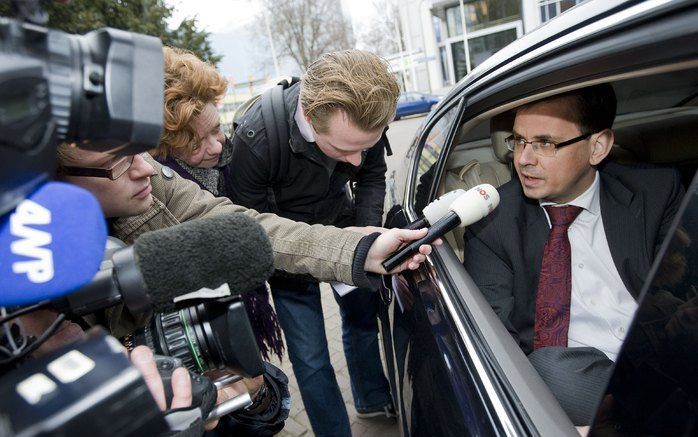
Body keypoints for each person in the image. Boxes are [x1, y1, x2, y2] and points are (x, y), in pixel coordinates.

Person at [462, 84, 684, 424]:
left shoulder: (656, 193)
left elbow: (683, 293)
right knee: (548, 372)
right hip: (576, 383)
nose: (523, 159)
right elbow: (498, 346)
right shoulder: (492, 222)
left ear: (597, 146)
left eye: (545, 144)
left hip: (661, 355)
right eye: (519, 141)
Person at [223, 49, 399, 436]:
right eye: (343, 149)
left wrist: (367, 233)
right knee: (312, 357)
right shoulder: (257, 140)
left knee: (362, 321)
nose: (355, 161)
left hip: (345, 232)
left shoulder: (363, 118)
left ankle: (371, 399)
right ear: (310, 120)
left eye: (364, 147)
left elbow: (371, 176)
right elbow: (252, 233)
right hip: (287, 258)